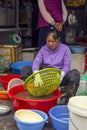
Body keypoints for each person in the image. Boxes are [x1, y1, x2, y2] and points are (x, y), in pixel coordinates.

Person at [32, 27, 80, 104]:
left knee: (75, 74)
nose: (50, 44)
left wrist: (61, 75)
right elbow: (36, 62)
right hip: (45, 79)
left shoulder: (65, 49)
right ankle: (33, 98)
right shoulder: (43, 49)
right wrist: (36, 73)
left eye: (53, 41)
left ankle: (67, 103)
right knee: (25, 69)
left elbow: (66, 65)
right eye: (48, 41)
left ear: (58, 39)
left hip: (59, 78)